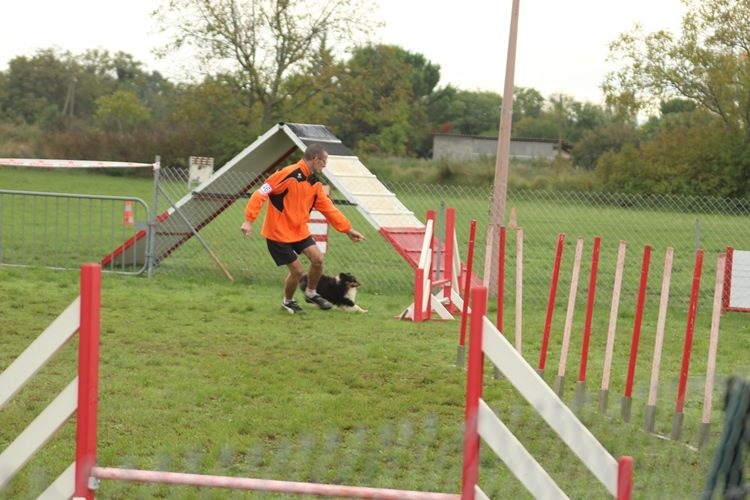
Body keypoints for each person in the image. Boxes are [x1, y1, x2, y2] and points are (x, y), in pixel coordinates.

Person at [240, 143, 365, 314]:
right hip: (278, 233)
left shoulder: (315, 183)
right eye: (323, 161)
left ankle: (311, 292)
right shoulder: (287, 174)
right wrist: (249, 220)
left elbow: (328, 208)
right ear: (314, 159)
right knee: (298, 271)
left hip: (299, 231)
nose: (325, 165)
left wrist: (348, 229)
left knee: (318, 259)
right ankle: (288, 302)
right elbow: (260, 193)